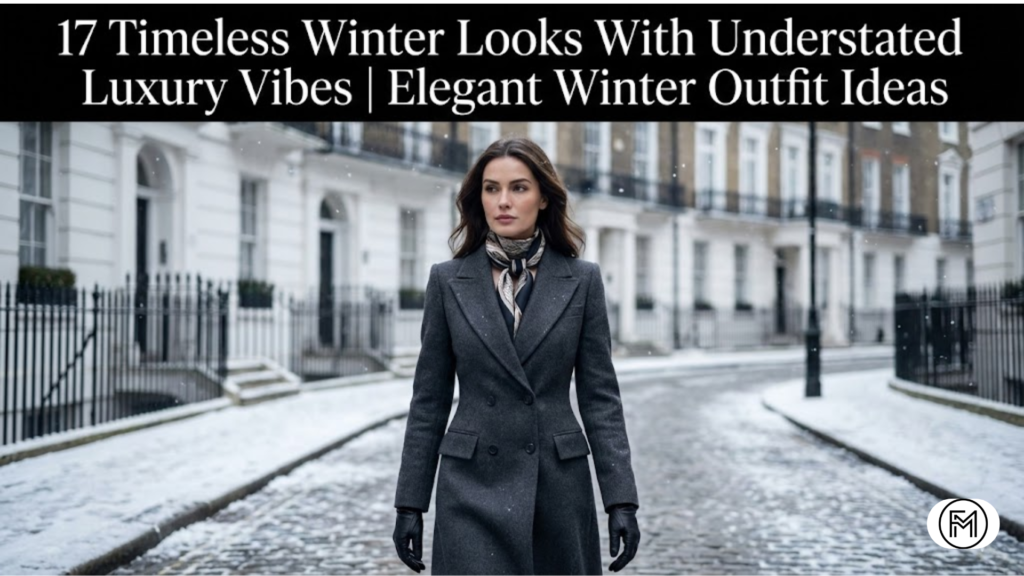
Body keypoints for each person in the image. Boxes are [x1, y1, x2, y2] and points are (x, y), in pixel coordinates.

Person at [392, 136, 640, 575]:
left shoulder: (581, 280)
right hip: (470, 486)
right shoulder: (448, 281)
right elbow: (428, 400)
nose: (503, 201)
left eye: (519, 188)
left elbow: (600, 397)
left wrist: (620, 499)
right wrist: (410, 502)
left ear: (544, 197)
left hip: (557, 486)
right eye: (491, 189)